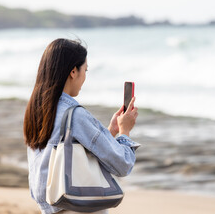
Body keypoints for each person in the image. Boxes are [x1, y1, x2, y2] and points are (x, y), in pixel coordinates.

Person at [23, 38, 140, 214]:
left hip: (50, 207)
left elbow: (68, 153)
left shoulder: (36, 110)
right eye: (85, 70)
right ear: (73, 72)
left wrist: (111, 132)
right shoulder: (74, 115)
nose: (85, 76)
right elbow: (122, 164)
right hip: (76, 206)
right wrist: (125, 131)